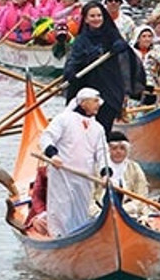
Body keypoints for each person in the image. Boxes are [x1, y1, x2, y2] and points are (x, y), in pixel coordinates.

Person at [63, 2, 146, 133]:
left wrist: (121, 46)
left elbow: (127, 54)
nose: (96, 19)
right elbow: (74, 60)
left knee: (104, 126)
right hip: (88, 86)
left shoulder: (112, 34)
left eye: (99, 15)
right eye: (92, 16)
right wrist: (71, 71)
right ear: (86, 19)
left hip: (109, 88)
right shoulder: (81, 40)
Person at [39, 87, 109, 238]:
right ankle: (58, 236)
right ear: (84, 103)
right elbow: (46, 137)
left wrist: (105, 173)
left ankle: (78, 238)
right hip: (62, 172)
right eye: (95, 101)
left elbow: (103, 153)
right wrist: (53, 155)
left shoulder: (98, 128)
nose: (99, 104)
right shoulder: (63, 119)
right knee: (61, 207)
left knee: (81, 209)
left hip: (85, 176)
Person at [92, 130, 150, 219]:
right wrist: (98, 214)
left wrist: (123, 210)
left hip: (128, 212)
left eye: (122, 148)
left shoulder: (134, 168)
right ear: (108, 150)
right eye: (114, 148)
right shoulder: (96, 168)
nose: (118, 152)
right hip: (100, 212)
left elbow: (141, 196)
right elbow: (88, 197)